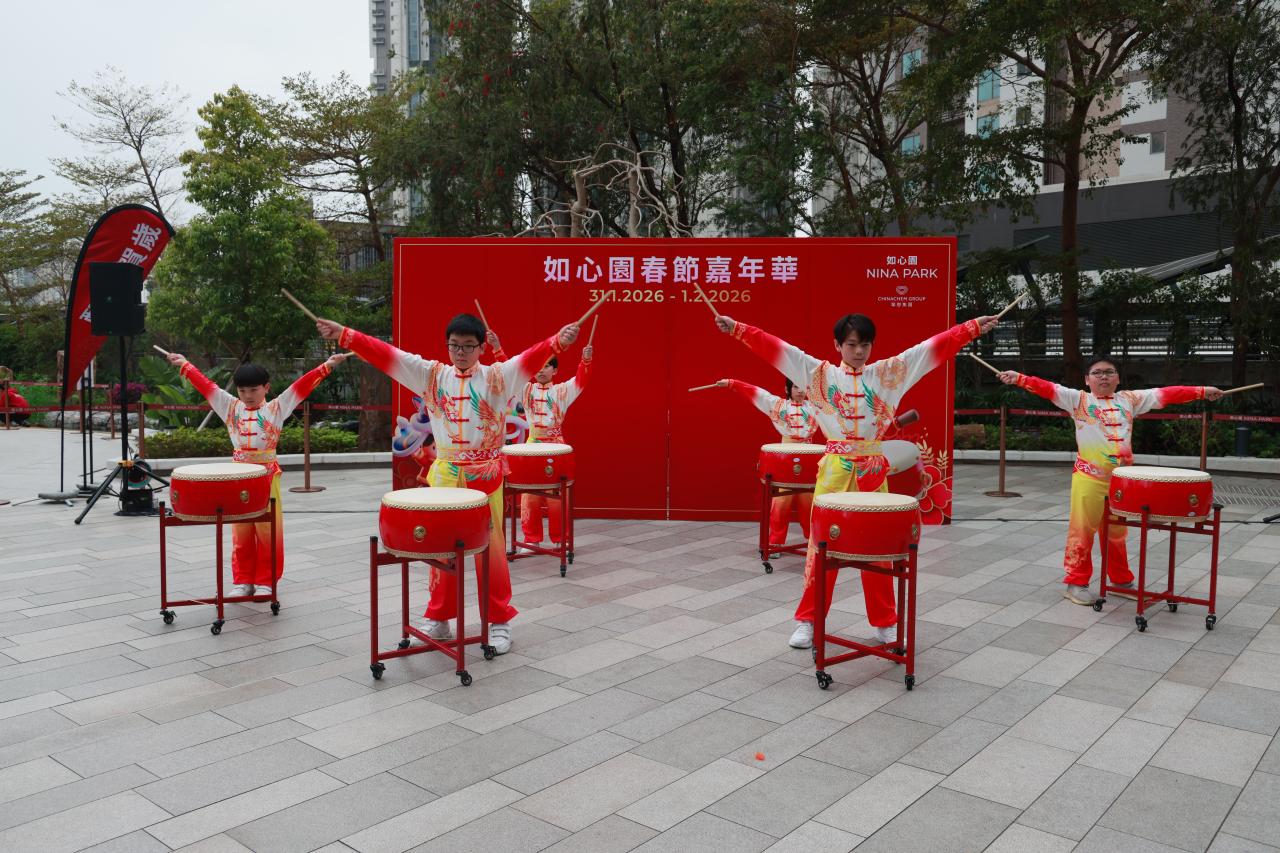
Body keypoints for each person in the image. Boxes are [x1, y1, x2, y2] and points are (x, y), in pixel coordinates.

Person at [716, 310, 998, 649]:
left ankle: (885, 622)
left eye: (865, 344)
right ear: (837, 345)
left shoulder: (888, 373)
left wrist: (972, 328)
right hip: (834, 470)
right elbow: (778, 349)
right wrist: (738, 329)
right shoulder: (818, 374)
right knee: (820, 547)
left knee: (878, 549)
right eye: (851, 344)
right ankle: (808, 620)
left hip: (872, 471)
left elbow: (929, 350)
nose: (859, 351)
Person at [315, 313, 580, 655]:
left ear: (481, 348)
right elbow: (388, 354)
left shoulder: (499, 376)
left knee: (491, 549)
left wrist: (558, 342)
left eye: (468, 346)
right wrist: (345, 334)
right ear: (447, 346)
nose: (461, 353)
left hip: (485, 474)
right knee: (439, 548)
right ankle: (439, 616)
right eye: (454, 345)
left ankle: (499, 620)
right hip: (445, 475)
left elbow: (531, 357)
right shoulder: (431, 375)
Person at [998, 359, 1223, 605]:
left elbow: (1167, 394)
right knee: (1082, 530)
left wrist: (1202, 391)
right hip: (1088, 479)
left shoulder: (1130, 400)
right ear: (1087, 379)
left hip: (1121, 481)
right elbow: (1047, 388)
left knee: (1116, 532)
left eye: (1109, 372)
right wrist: (1018, 378)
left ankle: (1120, 581)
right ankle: (1076, 583)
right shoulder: (1077, 400)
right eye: (1097, 373)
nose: (1103, 377)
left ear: (1118, 378)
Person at [167, 351, 351, 596]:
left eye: (253, 390)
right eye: (242, 391)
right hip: (238, 477)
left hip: (267, 476)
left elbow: (301, 386)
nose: (247, 395)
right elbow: (207, 386)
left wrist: (327, 365)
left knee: (268, 529)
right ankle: (242, 580)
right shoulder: (229, 406)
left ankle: (266, 580)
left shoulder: (277, 407)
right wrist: (185, 365)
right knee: (240, 530)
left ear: (266, 388)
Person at [489, 331, 594, 551]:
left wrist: (586, 360)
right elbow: (509, 372)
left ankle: (561, 539)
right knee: (528, 495)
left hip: (556, 447)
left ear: (555, 370)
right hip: (533, 447)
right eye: (538, 366)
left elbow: (581, 380)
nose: (541, 370)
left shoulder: (562, 391)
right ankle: (531, 538)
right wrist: (497, 348)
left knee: (557, 496)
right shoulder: (526, 389)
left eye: (546, 366)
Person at [715, 377, 819, 545]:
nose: (800, 391)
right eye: (795, 387)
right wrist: (732, 383)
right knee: (781, 501)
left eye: (802, 387)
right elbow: (758, 393)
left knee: (809, 500)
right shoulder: (778, 405)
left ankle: (812, 541)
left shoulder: (815, 407)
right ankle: (775, 541)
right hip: (785, 455)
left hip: (809, 456)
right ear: (787, 389)